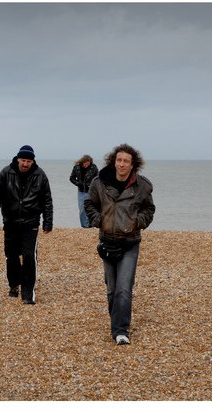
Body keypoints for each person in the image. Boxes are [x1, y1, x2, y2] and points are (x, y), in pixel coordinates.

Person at [84, 144, 155, 345]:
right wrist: (98, 220)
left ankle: (120, 330)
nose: (122, 164)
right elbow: (89, 203)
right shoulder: (99, 183)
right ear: (113, 161)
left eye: (126, 161)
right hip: (107, 241)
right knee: (111, 289)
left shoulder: (142, 185)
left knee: (124, 287)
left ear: (133, 165)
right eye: (119, 160)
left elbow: (149, 209)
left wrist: (137, 222)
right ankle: (117, 321)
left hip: (130, 243)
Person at [0, 145, 53, 305]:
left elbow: (47, 200)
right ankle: (13, 284)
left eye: (29, 161)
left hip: (31, 224)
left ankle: (27, 292)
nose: (25, 164)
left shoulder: (40, 175)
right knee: (11, 256)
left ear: (33, 161)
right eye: (23, 160)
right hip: (10, 222)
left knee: (29, 256)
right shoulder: (5, 173)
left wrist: (47, 223)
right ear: (18, 159)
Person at [69, 154, 98, 228]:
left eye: (88, 164)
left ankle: (91, 224)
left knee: (91, 208)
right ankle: (84, 225)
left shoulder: (93, 167)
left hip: (91, 191)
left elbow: (98, 178)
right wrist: (78, 184)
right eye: (85, 164)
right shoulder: (76, 168)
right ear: (82, 162)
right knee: (82, 209)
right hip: (81, 191)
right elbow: (71, 178)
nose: (87, 165)